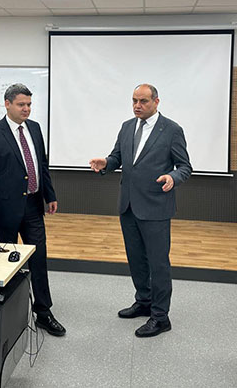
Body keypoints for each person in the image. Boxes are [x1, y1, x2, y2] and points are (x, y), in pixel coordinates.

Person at [89, 84, 192, 338]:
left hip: (156, 207)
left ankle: (160, 316)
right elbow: (117, 158)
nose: (137, 105)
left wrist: (172, 177)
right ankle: (144, 301)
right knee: (136, 259)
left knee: (158, 264)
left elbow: (185, 166)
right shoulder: (127, 127)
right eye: (134, 100)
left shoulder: (171, 130)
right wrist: (106, 163)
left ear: (156, 102)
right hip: (128, 206)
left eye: (143, 101)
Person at [0, 83, 66, 337]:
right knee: (5, 261)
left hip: (33, 205)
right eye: (21, 105)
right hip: (5, 209)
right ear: (7, 104)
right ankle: (3, 308)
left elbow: (41, 165)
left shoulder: (35, 129)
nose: (26, 109)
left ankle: (43, 312)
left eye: (29, 104)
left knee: (38, 258)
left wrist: (49, 195)